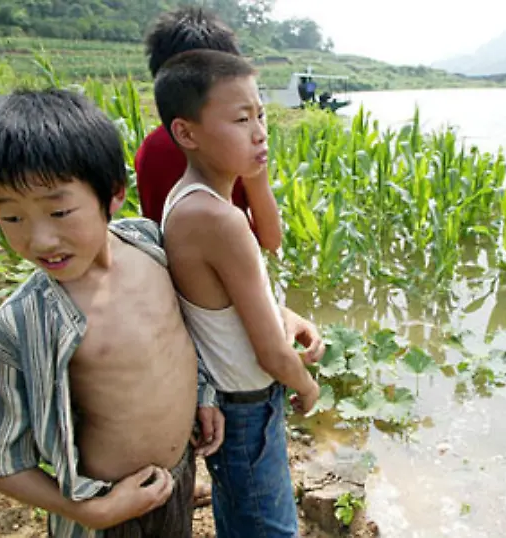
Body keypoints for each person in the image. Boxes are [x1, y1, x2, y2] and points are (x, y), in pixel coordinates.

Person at [0, 88, 325, 537]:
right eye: (11, 218)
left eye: (59, 211)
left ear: (114, 194)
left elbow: (196, 324)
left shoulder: (151, 246)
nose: (40, 240)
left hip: (178, 481)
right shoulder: (21, 325)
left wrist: (205, 395)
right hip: (108, 513)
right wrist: (92, 512)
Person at [154, 49, 321, 538]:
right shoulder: (217, 219)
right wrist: (307, 387)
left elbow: (223, 308)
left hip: (232, 404)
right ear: (186, 133)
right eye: (241, 118)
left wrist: (285, 316)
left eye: (262, 114)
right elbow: (270, 352)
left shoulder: (190, 201)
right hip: (246, 407)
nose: (260, 131)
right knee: (269, 528)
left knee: (242, 518)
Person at [135, 7, 282, 253]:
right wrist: (257, 177)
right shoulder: (230, 152)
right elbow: (270, 240)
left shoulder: (149, 150)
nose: (259, 132)